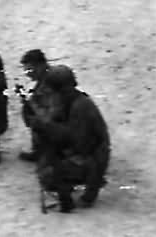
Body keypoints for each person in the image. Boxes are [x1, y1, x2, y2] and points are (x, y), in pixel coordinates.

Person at [29, 65, 111, 213]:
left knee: (47, 176)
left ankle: (75, 185)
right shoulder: (72, 100)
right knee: (44, 162)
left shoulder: (80, 107)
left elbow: (79, 143)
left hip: (90, 159)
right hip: (84, 153)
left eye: (54, 92)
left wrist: (46, 127)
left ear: (62, 90)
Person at [18, 49, 51, 162]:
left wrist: (29, 101)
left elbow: (47, 113)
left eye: (30, 69)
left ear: (41, 65)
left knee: (36, 118)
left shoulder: (51, 81)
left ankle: (46, 152)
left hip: (65, 125)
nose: (27, 73)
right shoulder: (46, 76)